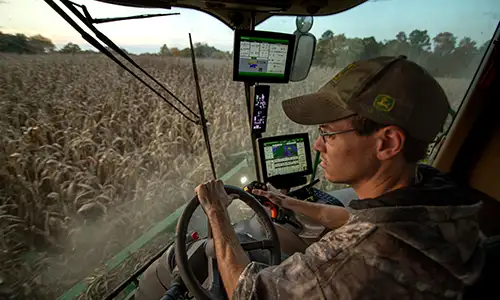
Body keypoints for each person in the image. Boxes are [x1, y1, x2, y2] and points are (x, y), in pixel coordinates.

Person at [195, 55, 485, 299]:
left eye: (328, 133)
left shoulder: (356, 257)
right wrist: (291, 203)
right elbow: (360, 221)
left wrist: (216, 211)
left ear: (387, 143)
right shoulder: (439, 194)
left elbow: (246, 292)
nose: (318, 145)